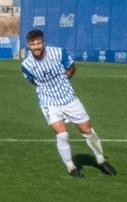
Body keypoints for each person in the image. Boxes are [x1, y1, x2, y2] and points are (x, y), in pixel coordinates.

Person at [20, 29, 114, 177]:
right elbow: (33, 81)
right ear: (28, 45)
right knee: (62, 135)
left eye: (38, 43)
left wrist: (64, 81)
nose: (36, 47)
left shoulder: (58, 53)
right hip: (49, 102)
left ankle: (101, 160)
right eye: (33, 44)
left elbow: (72, 67)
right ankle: (71, 167)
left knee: (87, 131)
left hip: (69, 98)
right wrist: (49, 89)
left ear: (43, 42)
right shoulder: (26, 65)